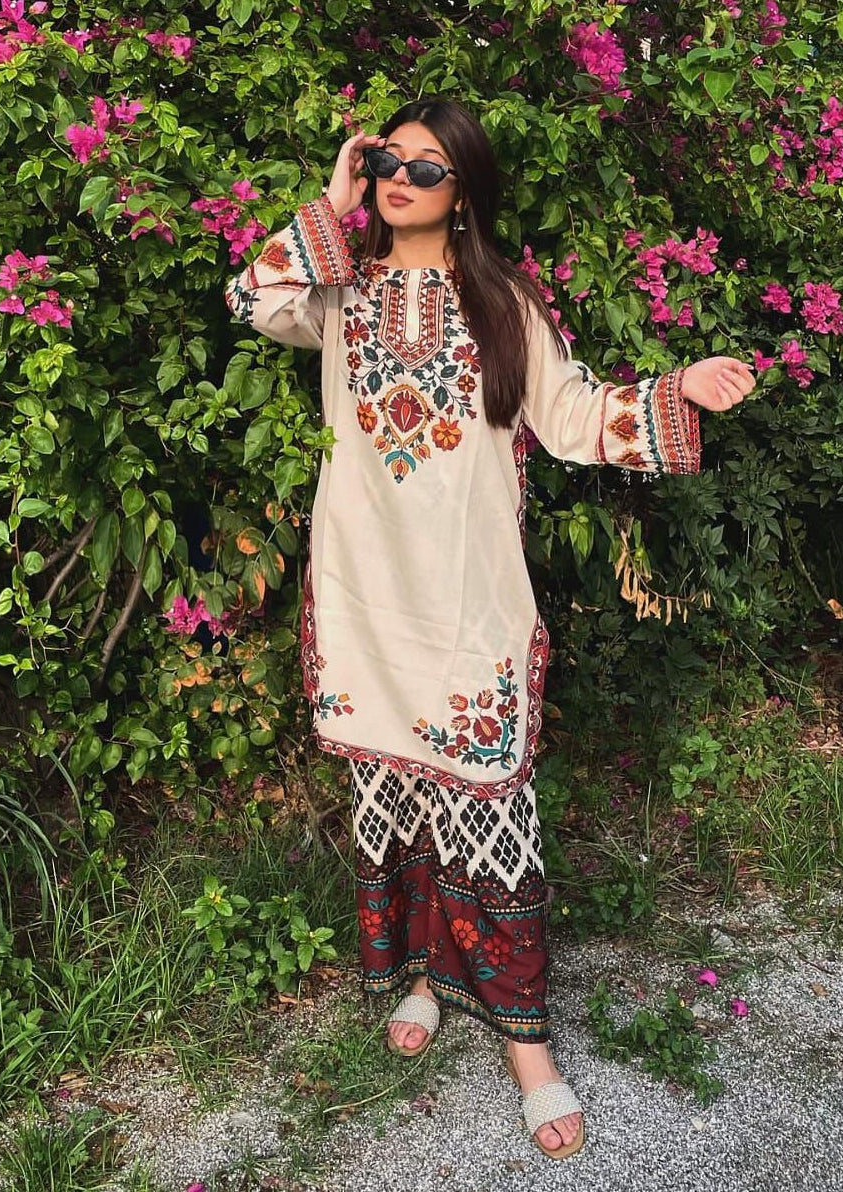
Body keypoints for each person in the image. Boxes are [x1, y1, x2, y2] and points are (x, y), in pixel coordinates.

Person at [226, 97, 754, 1161]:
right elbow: (253, 296)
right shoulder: (340, 292)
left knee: (490, 807)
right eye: (388, 159)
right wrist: (330, 202)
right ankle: (425, 976)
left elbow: (571, 417)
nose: (401, 177)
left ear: (463, 189)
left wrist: (678, 390)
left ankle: (527, 1045)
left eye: (427, 166)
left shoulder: (503, 302)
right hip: (370, 601)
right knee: (399, 795)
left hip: (469, 605)